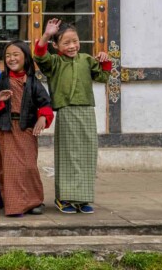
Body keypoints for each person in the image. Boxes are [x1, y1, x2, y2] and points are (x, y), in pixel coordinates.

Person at [34, 18, 111, 214]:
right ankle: (65, 198)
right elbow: (40, 55)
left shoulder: (86, 60)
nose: (72, 46)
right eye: (66, 42)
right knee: (68, 155)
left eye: (74, 41)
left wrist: (105, 60)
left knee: (87, 155)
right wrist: (46, 34)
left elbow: (102, 76)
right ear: (56, 45)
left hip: (86, 112)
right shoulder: (55, 62)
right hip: (66, 111)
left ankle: (82, 199)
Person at [0, 40, 53, 217]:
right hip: (6, 128)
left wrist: (43, 117)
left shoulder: (33, 82)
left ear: (26, 58)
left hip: (27, 128)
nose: (11, 59)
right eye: (8, 56)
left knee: (29, 166)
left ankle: (34, 201)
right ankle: (14, 205)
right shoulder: (1, 79)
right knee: (10, 167)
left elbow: (45, 103)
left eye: (16, 55)